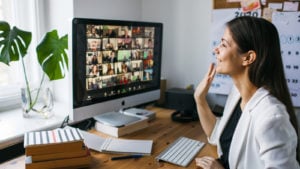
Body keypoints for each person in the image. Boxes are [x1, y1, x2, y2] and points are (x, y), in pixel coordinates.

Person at [194, 16, 299, 169]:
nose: (215, 49)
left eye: (223, 44)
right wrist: (199, 98)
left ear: (248, 58)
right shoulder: (237, 93)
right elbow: (218, 136)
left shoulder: (271, 117)